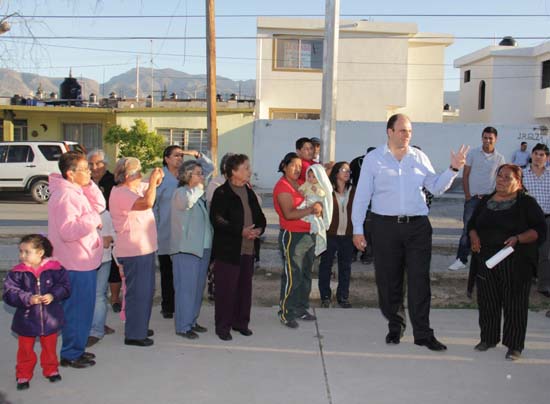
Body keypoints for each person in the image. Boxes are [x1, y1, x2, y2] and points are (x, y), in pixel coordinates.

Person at [352, 114, 468, 351]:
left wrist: (453, 169)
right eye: (403, 130)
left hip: (417, 227)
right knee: (388, 281)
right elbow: (362, 197)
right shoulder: (374, 159)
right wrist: (357, 229)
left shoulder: (419, 157)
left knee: (419, 281)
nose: (407, 135)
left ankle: (423, 334)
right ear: (390, 132)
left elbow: (435, 186)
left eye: (410, 131)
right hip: (384, 227)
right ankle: (396, 325)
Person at [468, 164, 545, 360]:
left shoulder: (526, 203)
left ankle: (514, 345)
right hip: (486, 260)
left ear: (518, 182)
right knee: (487, 301)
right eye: (499, 175)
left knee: (515, 304)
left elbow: (539, 230)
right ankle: (488, 338)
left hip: (515, 261)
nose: (501, 180)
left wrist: (518, 238)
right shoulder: (486, 200)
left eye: (507, 177)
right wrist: (474, 235)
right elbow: (472, 224)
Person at [48, 151, 105, 368]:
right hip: (74, 262)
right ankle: (71, 353)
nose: (90, 171)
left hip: (83, 260)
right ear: (71, 174)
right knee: (76, 311)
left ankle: (77, 348)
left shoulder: (76, 190)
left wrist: (89, 184)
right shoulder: (66, 196)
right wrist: (93, 219)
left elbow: (100, 205)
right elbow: (68, 231)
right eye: (85, 169)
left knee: (83, 310)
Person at [3, 234, 70, 390]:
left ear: (40, 252)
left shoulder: (56, 269)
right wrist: (27, 298)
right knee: (25, 349)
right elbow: (9, 293)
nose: (22, 256)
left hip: (50, 318)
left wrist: (53, 295)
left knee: (50, 347)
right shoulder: (17, 272)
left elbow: (65, 287)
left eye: (27, 252)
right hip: (26, 320)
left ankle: (51, 369)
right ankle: (23, 374)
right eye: (20, 251)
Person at [210, 154, 266, 340]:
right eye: (246, 168)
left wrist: (258, 229)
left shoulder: (248, 191)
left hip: (248, 249)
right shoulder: (222, 192)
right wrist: (240, 231)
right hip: (228, 251)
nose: (249, 171)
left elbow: (260, 216)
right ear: (233, 171)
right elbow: (217, 220)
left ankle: (241, 323)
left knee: (244, 289)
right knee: (226, 291)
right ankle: (223, 328)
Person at [110, 157, 164, 347]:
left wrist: (154, 180)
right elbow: (148, 202)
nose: (141, 175)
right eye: (138, 172)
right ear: (127, 175)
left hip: (144, 248)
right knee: (137, 293)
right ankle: (134, 333)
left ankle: (139, 326)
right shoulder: (121, 193)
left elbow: (150, 188)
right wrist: (152, 183)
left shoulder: (133, 189)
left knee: (146, 291)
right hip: (133, 250)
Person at [154, 146, 210, 319]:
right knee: (168, 271)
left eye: (181, 156)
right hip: (165, 229)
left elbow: (209, 169)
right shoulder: (160, 177)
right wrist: (154, 228)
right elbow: (154, 205)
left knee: (184, 275)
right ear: (166, 159)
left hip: (184, 231)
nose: (179, 158)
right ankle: (168, 306)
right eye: (175, 156)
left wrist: (194, 154)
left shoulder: (187, 175)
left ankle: (183, 309)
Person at [273, 152, 322, 329]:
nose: (297, 169)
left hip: (308, 234)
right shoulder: (282, 186)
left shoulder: (302, 184)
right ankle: (286, 312)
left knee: (306, 274)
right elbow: (289, 214)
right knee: (293, 275)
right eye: (293, 165)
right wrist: (310, 210)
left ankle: (301, 308)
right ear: (284, 166)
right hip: (292, 236)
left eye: (300, 167)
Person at [449, 127, 505, 271]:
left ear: (495, 139)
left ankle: (484, 260)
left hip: (490, 200)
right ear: (482, 138)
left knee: (488, 230)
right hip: (473, 199)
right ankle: (461, 259)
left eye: (490, 138)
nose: (487, 141)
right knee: (468, 229)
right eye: (485, 137)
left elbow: (500, 179)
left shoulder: (500, 158)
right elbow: (466, 175)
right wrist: (468, 196)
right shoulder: (473, 153)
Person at [170, 159, 214, 340]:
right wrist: (199, 187)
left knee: (197, 289)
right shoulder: (181, 192)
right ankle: (183, 325)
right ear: (187, 175)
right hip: (186, 249)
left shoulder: (199, 193)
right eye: (198, 173)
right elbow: (187, 202)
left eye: (201, 173)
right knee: (186, 290)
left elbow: (210, 167)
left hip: (202, 248)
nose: (202, 176)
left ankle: (192, 320)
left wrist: (197, 155)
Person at [88, 149, 122, 313]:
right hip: (90, 228)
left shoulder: (112, 181)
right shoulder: (85, 181)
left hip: (111, 226)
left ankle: (115, 298)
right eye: (91, 164)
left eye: (98, 163)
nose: (94, 167)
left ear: (105, 164)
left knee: (114, 267)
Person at [319, 161, 355, 309]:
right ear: (336, 173)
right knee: (326, 266)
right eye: (343, 170)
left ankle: (343, 296)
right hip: (330, 235)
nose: (347, 172)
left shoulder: (353, 190)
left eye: (349, 170)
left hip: (348, 235)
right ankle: (325, 296)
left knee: (345, 267)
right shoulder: (327, 190)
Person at [522, 143, 550, 298]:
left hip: (547, 219)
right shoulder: (522, 175)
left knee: (545, 253)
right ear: (531, 155)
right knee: (528, 251)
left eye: (542, 155)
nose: (538, 157)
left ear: (547, 158)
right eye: (536, 153)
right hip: (528, 221)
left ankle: (544, 285)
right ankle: (526, 280)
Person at [86, 209, 116, 348]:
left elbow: (112, 236)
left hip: (103, 259)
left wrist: (107, 239)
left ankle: (96, 329)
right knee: (87, 296)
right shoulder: (80, 211)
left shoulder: (105, 214)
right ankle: (93, 326)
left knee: (99, 295)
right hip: (83, 260)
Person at [298, 165, 333, 256]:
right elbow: (302, 188)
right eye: (309, 176)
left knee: (316, 218)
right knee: (303, 212)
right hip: (308, 201)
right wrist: (301, 191)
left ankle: (316, 229)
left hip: (316, 201)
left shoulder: (320, 185)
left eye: (314, 177)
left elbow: (323, 194)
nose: (310, 179)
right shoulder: (307, 183)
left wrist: (317, 190)